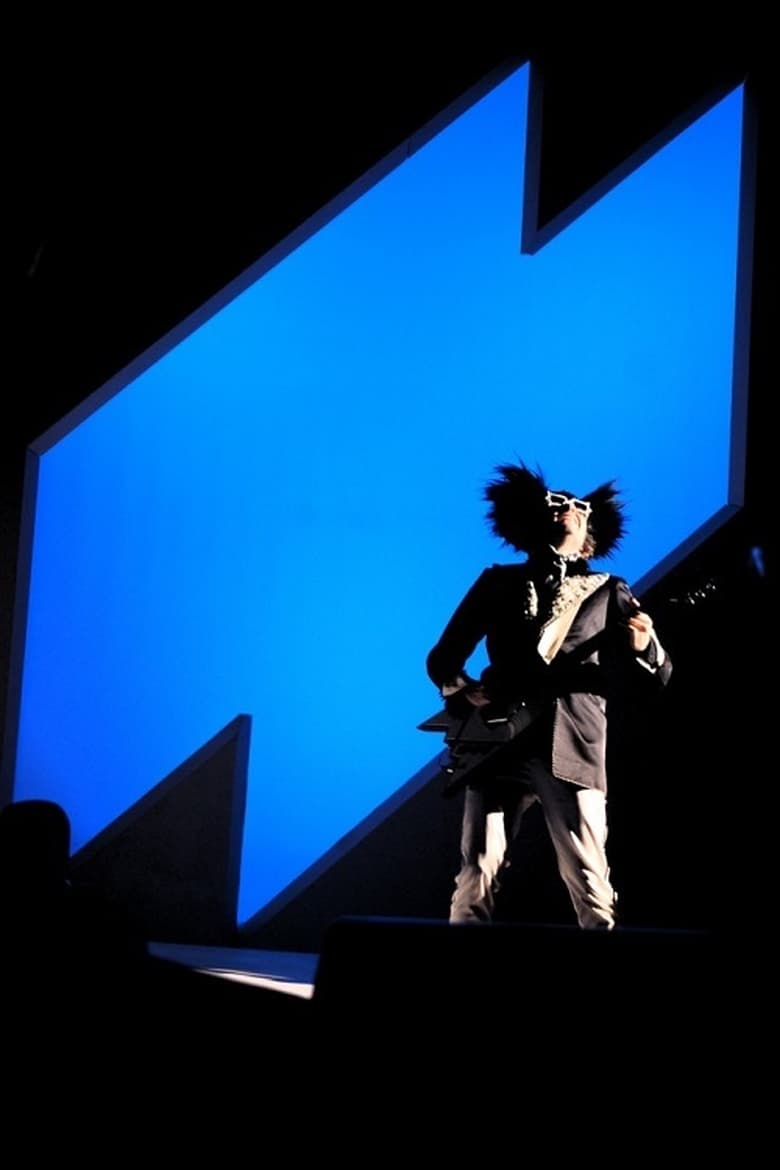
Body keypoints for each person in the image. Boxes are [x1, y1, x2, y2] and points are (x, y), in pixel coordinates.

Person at [425, 460, 673, 929]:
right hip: (498, 741)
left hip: (571, 743)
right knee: (476, 872)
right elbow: (443, 658)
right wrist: (465, 690)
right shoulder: (497, 581)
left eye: (577, 505)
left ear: (590, 531)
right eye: (556, 502)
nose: (566, 509)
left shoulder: (610, 590)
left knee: (589, 878)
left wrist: (645, 646)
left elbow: (656, 678)